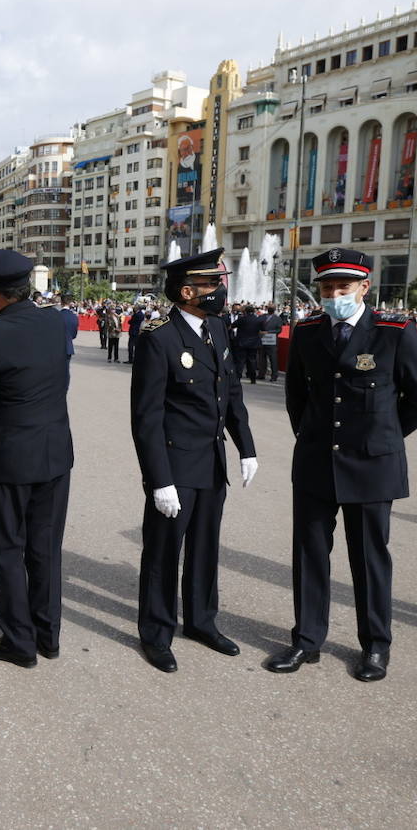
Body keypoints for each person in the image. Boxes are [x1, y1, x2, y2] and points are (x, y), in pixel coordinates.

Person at [264, 248, 417, 682]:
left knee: (369, 558)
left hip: (372, 465)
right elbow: (296, 396)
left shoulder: (394, 331)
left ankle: (376, 646)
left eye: (343, 287)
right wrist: (310, 435)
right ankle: (307, 641)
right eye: (327, 288)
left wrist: (386, 439)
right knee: (309, 555)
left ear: (364, 287)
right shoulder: (307, 331)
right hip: (317, 461)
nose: (334, 294)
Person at [130, 250, 257, 672]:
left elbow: (230, 391)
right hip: (175, 465)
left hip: (211, 461)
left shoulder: (217, 327)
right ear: (187, 292)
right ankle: (157, 632)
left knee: (205, 548)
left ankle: (201, 621)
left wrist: (247, 446)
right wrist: (159, 479)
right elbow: (146, 416)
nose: (220, 292)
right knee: (164, 552)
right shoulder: (158, 335)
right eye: (212, 286)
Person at [0, 249, 73, 667]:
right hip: (54, 452)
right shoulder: (55, 321)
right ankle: (48, 636)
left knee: (8, 549)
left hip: (9, 458)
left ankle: (19, 641)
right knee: (46, 548)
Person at [233, 304, 263, 384]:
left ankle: (237, 378)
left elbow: (232, 326)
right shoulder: (258, 320)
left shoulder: (242, 319)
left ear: (245, 311)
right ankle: (253, 379)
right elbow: (262, 330)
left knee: (240, 361)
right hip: (253, 343)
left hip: (242, 343)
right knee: (252, 361)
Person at [259, 305, 283, 381]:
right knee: (262, 359)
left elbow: (279, 330)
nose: (270, 309)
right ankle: (261, 374)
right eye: (270, 307)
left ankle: (274, 376)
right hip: (262, 341)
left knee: (273, 359)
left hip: (272, 342)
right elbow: (258, 325)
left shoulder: (278, 318)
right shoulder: (262, 317)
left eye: (272, 308)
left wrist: (268, 332)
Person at [58, 297, 79, 382]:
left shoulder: (57, 315)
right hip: (68, 345)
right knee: (66, 370)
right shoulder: (74, 316)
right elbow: (74, 334)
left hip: (56, 346)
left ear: (61, 303)